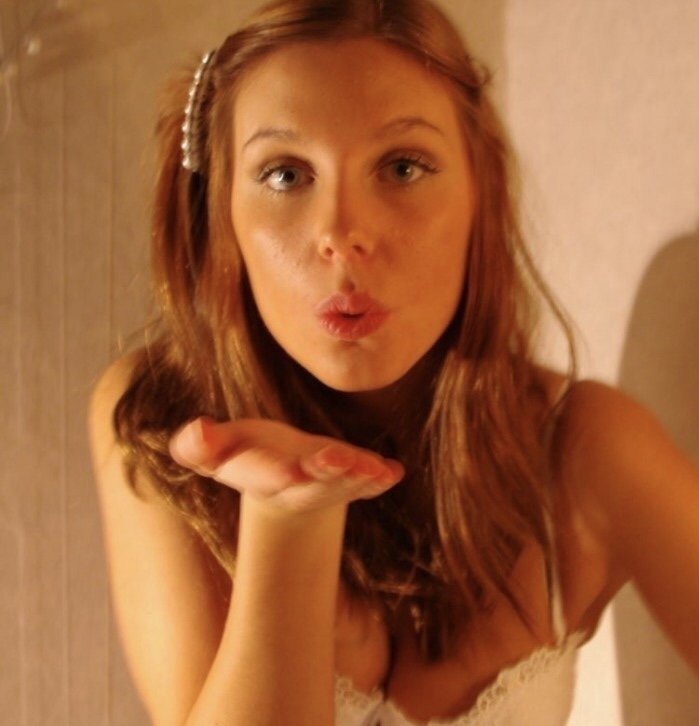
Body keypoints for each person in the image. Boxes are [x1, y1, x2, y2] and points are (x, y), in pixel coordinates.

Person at [88, 0, 699, 724]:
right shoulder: (161, 421)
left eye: (402, 167)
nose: (341, 233)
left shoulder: (585, 450)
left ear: (479, 193)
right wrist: (287, 517)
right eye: (285, 175)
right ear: (220, 213)